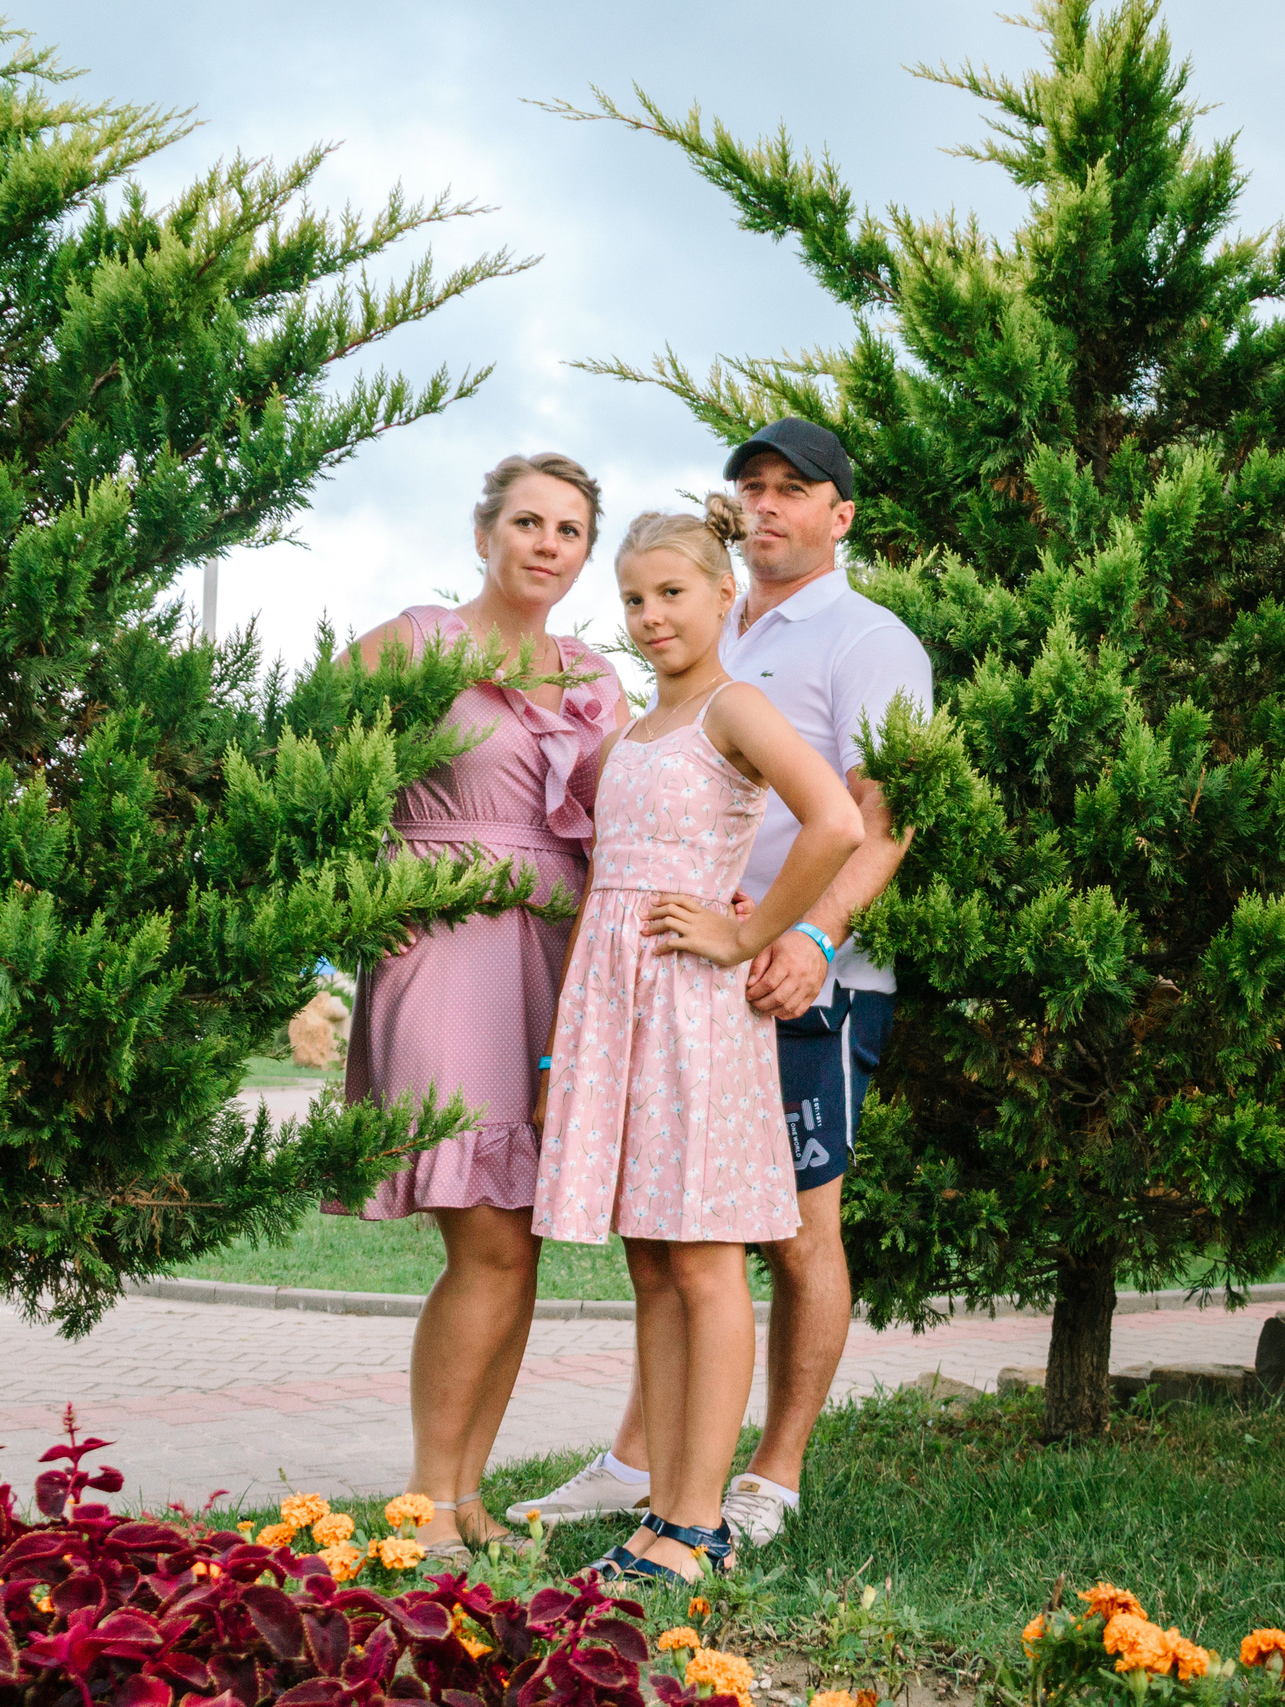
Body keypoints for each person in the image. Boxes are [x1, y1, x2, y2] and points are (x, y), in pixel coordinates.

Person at [510, 421, 930, 1554]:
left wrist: (798, 937)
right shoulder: (704, 641)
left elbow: (874, 821)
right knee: (670, 1240)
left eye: (796, 489)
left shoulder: (864, 640)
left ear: (841, 511)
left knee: (783, 1231)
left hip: (788, 967)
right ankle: (649, 1473)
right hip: (664, 983)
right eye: (753, 488)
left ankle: (761, 1480)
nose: (769, 505)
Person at [334, 453, 630, 1558]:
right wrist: (360, 899)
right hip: (445, 949)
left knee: (523, 1248)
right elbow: (304, 773)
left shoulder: (599, 676)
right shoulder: (410, 644)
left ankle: (463, 1499)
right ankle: (425, 1500)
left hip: (559, 962)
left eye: (569, 530)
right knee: (491, 1243)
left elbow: (630, 817)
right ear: (484, 535)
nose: (546, 544)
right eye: (527, 522)